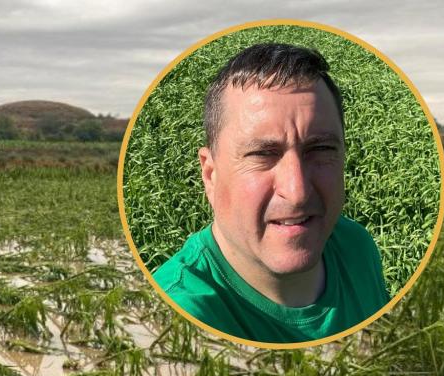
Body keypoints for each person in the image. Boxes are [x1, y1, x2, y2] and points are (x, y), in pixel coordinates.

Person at [152, 43, 390, 343]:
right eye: (262, 154)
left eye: (321, 149)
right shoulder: (177, 316)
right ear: (210, 175)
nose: (297, 191)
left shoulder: (356, 247)